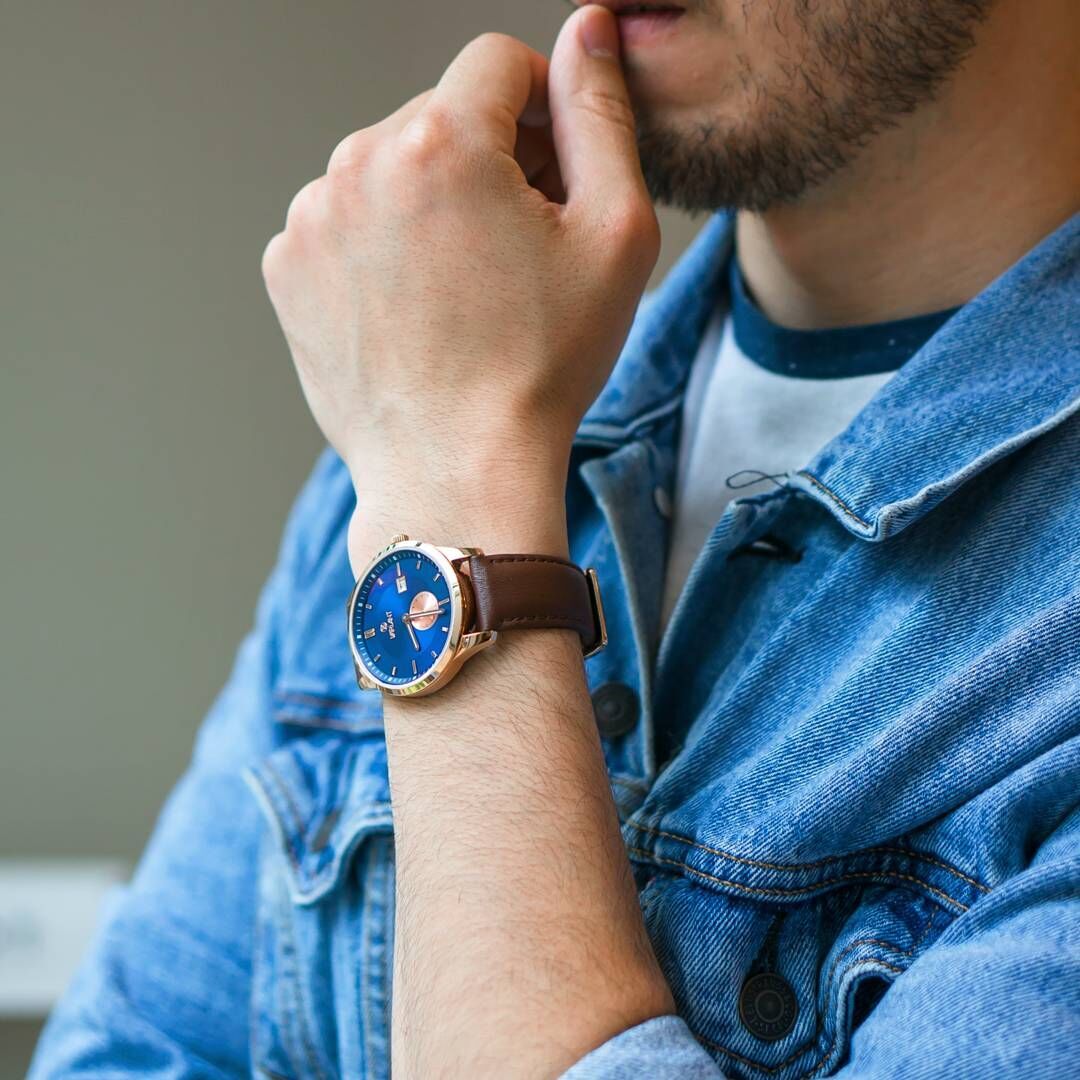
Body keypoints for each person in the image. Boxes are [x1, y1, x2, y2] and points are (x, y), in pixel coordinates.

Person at [31, 0, 1079, 1076]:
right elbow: (129, 1055)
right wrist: (448, 447)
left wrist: (457, 490)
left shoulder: (439, 432)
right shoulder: (430, 391)